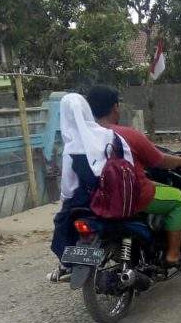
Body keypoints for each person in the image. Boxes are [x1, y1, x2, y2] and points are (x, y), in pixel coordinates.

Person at [86, 85, 181, 266]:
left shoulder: (83, 135)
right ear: (115, 107)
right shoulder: (127, 134)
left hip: (96, 197)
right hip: (131, 195)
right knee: (177, 199)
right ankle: (173, 255)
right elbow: (159, 160)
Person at [48, 93, 134, 282]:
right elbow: (129, 163)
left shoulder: (71, 147)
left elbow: (68, 188)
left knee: (63, 221)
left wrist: (66, 202)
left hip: (85, 202)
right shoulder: (110, 135)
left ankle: (66, 264)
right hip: (116, 199)